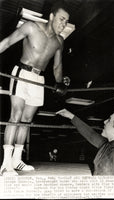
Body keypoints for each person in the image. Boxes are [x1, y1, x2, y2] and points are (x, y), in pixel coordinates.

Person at [0, 2, 70, 176]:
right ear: (52, 17)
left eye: (66, 22)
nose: (63, 25)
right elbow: (8, 42)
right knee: (15, 115)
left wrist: (60, 83)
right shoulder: (31, 27)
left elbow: (56, 67)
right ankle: (6, 163)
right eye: (61, 19)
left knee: (27, 120)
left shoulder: (59, 41)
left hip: (39, 79)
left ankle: (17, 160)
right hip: (22, 73)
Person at [57, 109, 114, 175]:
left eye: (109, 120)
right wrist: (71, 116)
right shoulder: (109, 146)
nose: (104, 121)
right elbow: (91, 135)